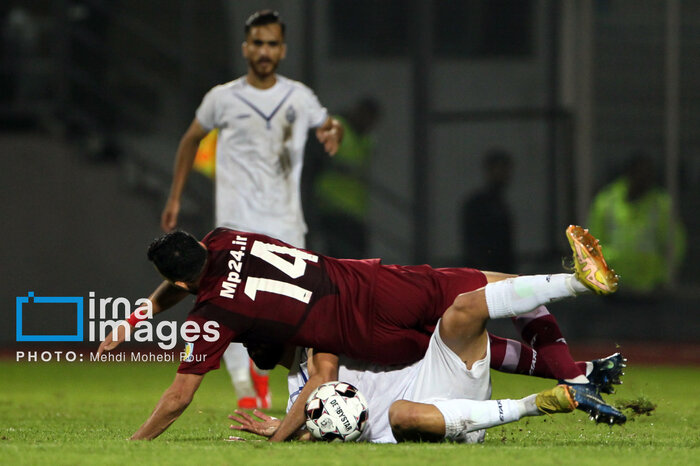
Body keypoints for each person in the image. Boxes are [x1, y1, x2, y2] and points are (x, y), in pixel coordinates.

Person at [97, 224, 623, 440]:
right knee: (495, 294)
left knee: (460, 326)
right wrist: (139, 315)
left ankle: (573, 380)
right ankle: (574, 290)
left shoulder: (214, 313)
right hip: (370, 281)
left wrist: (134, 444)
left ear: (184, 280)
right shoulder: (222, 236)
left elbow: (178, 397)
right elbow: (183, 278)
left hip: (363, 333)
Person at [159, 10, 344, 409]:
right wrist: (175, 197)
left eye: (272, 44)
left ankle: (269, 379)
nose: (264, 51)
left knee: (292, 310)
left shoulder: (299, 96)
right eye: (257, 43)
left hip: (286, 224)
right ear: (245, 48)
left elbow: (329, 124)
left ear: (283, 49)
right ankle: (244, 387)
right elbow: (191, 140)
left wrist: (333, 131)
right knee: (225, 304)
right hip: (236, 224)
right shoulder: (222, 97)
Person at [228, 345, 585, 444]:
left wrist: (281, 436)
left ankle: (573, 368)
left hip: (435, 376)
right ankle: (532, 404)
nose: (249, 343)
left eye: (252, 334)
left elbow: (323, 376)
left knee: (466, 309)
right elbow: (317, 429)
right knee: (402, 414)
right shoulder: (296, 399)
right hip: (427, 421)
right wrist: (283, 431)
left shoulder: (322, 340)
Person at [588, 151, 686, 293]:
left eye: (648, 174)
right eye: (640, 173)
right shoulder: (606, 202)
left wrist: (665, 275)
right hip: (612, 285)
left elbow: (675, 243)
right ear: (629, 173)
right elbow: (591, 243)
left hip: (650, 285)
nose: (643, 178)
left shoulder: (661, 204)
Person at [312, 97, 381, 258]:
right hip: (332, 205)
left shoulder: (365, 138)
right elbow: (317, 160)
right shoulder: (336, 128)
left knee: (357, 257)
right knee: (341, 256)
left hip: (355, 209)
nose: (368, 123)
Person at [461, 148, 515, 271]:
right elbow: (474, 245)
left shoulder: (500, 204)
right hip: (486, 272)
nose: (504, 174)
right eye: (500, 169)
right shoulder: (479, 204)